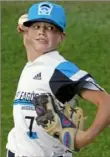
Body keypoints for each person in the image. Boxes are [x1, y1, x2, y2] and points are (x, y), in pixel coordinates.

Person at [6, 2, 110, 157]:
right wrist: (25, 24)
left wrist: (86, 138)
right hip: (14, 151)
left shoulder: (59, 69)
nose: (41, 32)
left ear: (61, 37)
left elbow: (106, 102)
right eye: (37, 27)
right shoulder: (33, 58)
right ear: (27, 33)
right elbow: (26, 31)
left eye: (50, 28)